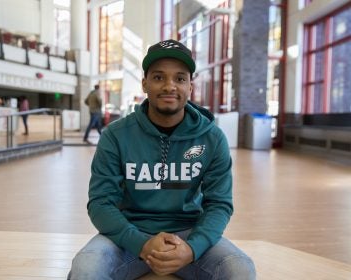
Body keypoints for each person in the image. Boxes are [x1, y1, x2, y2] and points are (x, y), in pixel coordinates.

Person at [69, 39, 256, 279]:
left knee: (240, 268)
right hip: (128, 236)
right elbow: (100, 203)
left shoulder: (212, 138)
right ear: (145, 83)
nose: (170, 86)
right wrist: (141, 244)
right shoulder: (116, 135)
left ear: (190, 86)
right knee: (86, 268)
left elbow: (219, 204)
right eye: (158, 77)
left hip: (190, 234)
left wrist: (192, 248)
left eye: (179, 78)